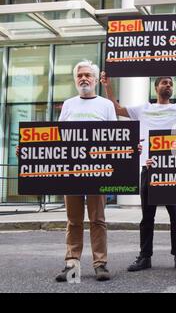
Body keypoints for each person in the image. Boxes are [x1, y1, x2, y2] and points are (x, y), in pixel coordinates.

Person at [101, 72, 176, 272]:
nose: (168, 85)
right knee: (147, 217)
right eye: (164, 83)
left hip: (172, 171)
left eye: (171, 83)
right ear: (156, 88)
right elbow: (117, 109)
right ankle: (145, 256)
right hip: (148, 169)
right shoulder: (143, 109)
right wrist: (108, 85)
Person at [55, 60, 117, 282]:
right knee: (73, 220)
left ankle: (100, 264)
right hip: (71, 171)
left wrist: (130, 148)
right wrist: (29, 147)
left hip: (98, 170)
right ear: (75, 80)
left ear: (94, 80)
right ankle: (71, 263)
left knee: (97, 219)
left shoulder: (106, 105)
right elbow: (57, 137)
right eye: (80, 75)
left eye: (88, 75)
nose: (84, 78)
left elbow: (116, 138)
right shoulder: (69, 104)